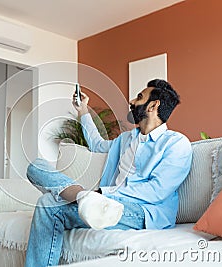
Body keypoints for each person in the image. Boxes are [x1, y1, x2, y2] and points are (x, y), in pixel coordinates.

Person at [24, 79, 193, 267]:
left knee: (48, 204)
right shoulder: (127, 139)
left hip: (142, 212)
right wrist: (83, 110)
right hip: (103, 201)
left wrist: (104, 194)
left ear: (153, 105)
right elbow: (97, 144)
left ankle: (86, 198)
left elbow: (156, 191)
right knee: (36, 167)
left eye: (139, 97)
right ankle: (83, 196)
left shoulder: (176, 143)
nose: (131, 101)